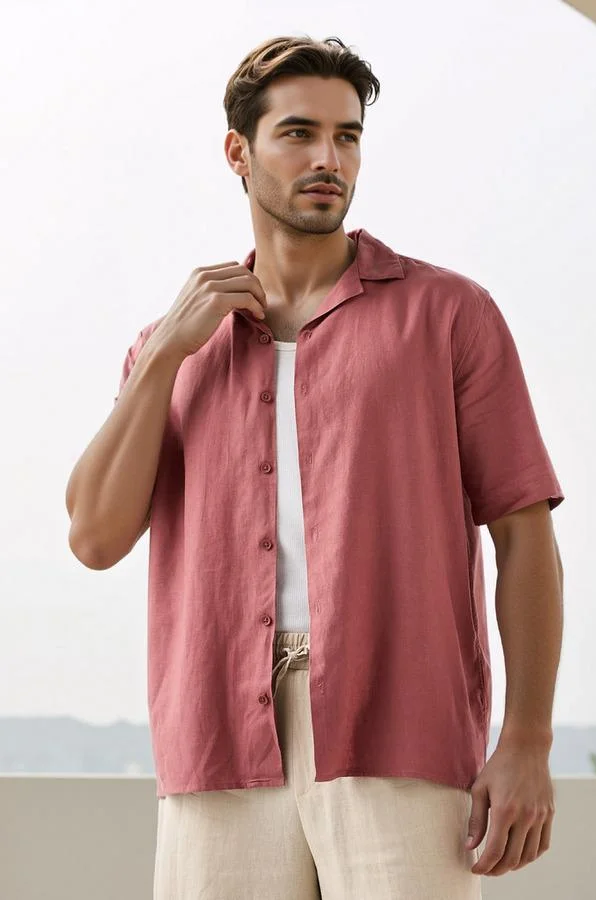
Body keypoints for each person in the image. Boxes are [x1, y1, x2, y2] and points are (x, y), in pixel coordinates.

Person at [65, 34, 565, 900]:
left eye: (347, 136)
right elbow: (95, 537)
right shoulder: (174, 345)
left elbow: (524, 535)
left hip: (400, 728)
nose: (328, 159)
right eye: (298, 133)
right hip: (218, 739)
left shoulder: (447, 315)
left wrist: (527, 739)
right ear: (238, 152)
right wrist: (166, 355)